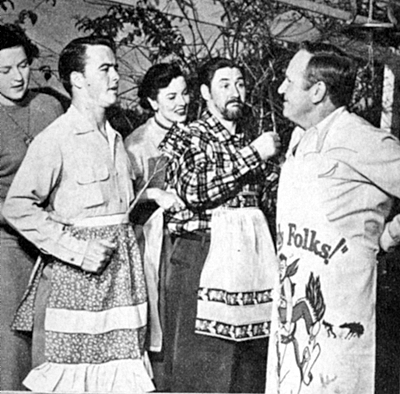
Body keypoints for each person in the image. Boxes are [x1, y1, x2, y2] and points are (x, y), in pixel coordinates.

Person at [2, 36, 154, 393]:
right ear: (78, 79)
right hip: (76, 284)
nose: (116, 76)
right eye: (105, 69)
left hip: (122, 287)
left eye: (115, 67)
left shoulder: (116, 138)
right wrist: (76, 249)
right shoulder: (56, 138)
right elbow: (18, 206)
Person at [265, 41, 400, 394]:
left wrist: (389, 236)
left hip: (341, 313)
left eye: (289, 81)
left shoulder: (360, 136)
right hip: (292, 310)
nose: (280, 89)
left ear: (318, 91)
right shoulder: (299, 139)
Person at [158, 57, 281, 393]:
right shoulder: (187, 135)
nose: (235, 91)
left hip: (249, 260)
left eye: (240, 84)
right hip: (201, 253)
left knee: (248, 362)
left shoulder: (247, 138)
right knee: (202, 362)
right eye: (225, 84)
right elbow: (196, 191)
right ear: (205, 93)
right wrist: (254, 156)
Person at [0, 24, 63, 390]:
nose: (17, 77)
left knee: (53, 340)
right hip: (9, 244)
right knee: (12, 345)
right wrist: (24, 219)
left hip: (56, 240)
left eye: (22, 65)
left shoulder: (49, 105)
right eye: (4, 70)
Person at [124, 62, 188, 390]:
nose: (181, 102)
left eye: (185, 93)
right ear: (152, 102)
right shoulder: (136, 144)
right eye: (171, 96)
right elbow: (126, 206)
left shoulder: (194, 134)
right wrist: (152, 193)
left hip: (188, 238)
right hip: (152, 244)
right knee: (158, 319)